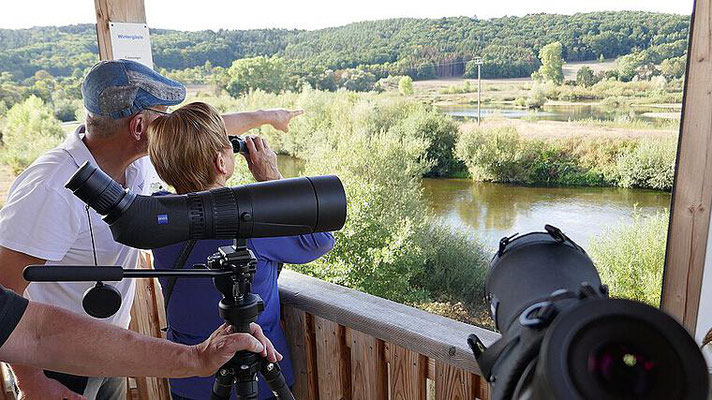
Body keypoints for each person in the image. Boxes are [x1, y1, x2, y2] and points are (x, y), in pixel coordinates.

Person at [0, 59, 300, 400]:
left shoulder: (136, 161)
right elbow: (3, 293)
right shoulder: (50, 187)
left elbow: (204, 130)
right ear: (140, 126)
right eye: (165, 114)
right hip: (54, 362)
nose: (172, 123)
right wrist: (32, 381)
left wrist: (269, 115)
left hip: (105, 347)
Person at [146, 102, 335, 400]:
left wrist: (261, 117)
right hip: (257, 379)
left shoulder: (156, 217)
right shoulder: (250, 221)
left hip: (188, 377)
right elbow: (321, 239)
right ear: (221, 163)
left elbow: (185, 152)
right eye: (227, 147)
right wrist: (270, 180)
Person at [0, 283, 280, 400]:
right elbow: (36, 333)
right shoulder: (47, 182)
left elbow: (37, 332)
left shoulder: (139, 174)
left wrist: (196, 358)